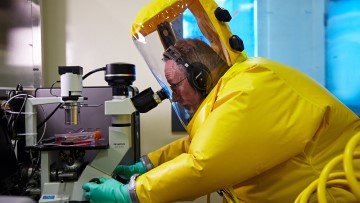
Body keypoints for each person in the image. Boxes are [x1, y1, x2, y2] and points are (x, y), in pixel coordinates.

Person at [83, 0, 360, 202]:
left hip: (330, 193)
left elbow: (203, 164)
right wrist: (146, 164)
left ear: (201, 78)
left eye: (175, 86)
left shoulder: (252, 85)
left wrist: (129, 194)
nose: (173, 96)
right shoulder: (228, 91)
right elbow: (199, 143)